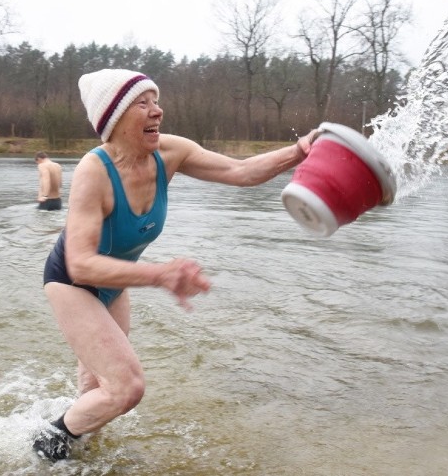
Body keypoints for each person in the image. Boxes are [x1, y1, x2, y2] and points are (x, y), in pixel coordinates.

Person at [34, 69, 319, 461]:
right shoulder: (93, 171)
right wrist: (160, 273)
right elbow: (81, 264)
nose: (158, 111)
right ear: (113, 118)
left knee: (97, 392)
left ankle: (75, 457)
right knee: (126, 388)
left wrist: (299, 152)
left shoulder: (171, 152)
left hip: (115, 283)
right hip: (72, 283)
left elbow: (240, 172)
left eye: (156, 100)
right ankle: (46, 442)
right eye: (143, 103)